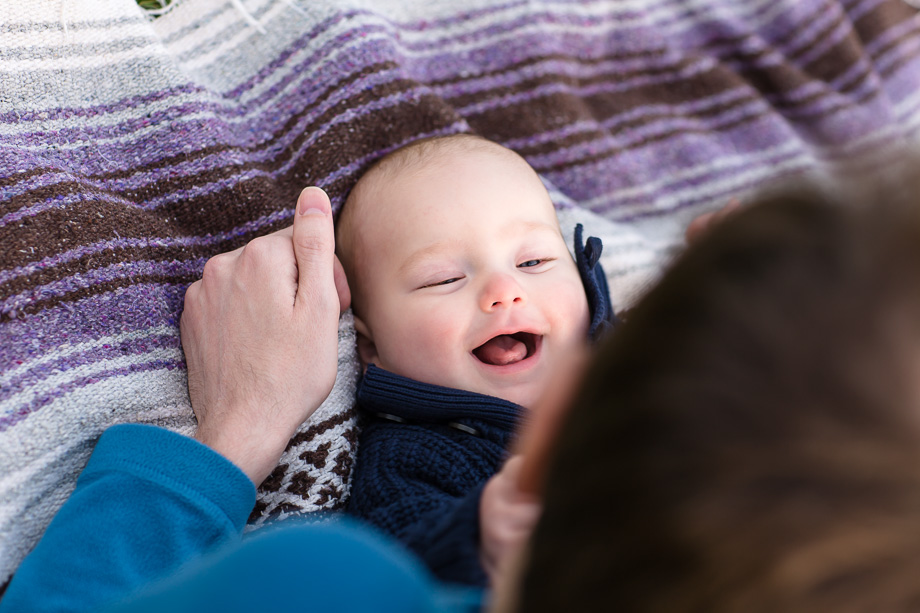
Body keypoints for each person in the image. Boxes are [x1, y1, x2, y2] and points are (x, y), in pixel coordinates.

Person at [334, 133, 617, 586]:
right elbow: (391, 560)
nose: (504, 292)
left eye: (533, 261)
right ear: (372, 351)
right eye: (444, 279)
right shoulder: (415, 455)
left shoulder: (634, 360)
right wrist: (477, 534)